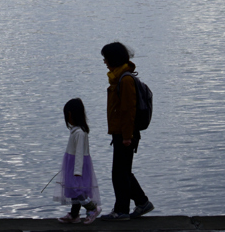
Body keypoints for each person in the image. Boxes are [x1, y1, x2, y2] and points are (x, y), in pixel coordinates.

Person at [100, 42, 153, 220]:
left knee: (120, 173)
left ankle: (122, 210)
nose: (104, 62)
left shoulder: (126, 79)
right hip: (121, 133)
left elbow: (128, 110)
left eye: (106, 58)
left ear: (113, 58)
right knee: (122, 172)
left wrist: (127, 136)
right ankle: (141, 202)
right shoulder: (119, 78)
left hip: (126, 135)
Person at [55, 98, 101, 224]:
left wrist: (77, 171)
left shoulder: (80, 133)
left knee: (78, 189)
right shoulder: (75, 131)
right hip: (72, 164)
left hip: (77, 166)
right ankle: (74, 214)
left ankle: (93, 209)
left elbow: (79, 154)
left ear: (71, 114)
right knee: (73, 190)